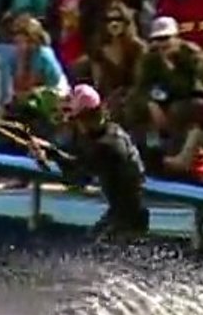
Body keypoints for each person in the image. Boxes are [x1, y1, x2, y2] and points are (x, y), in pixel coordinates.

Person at [57, 84, 150, 237]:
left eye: (76, 120)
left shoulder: (107, 146)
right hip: (121, 213)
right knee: (91, 242)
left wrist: (50, 156)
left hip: (128, 219)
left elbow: (78, 178)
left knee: (93, 250)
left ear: (86, 118)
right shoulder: (110, 131)